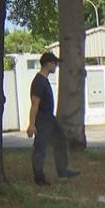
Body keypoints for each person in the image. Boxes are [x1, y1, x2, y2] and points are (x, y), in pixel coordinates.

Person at [27, 51, 79, 185]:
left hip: (50, 119)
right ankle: (39, 178)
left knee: (61, 140)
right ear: (48, 64)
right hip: (43, 120)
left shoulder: (44, 80)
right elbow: (34, 104)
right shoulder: (38, 81)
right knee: (41, 148)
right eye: (55, 63)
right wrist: (32, 124)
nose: (56, 66)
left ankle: (62, 172)